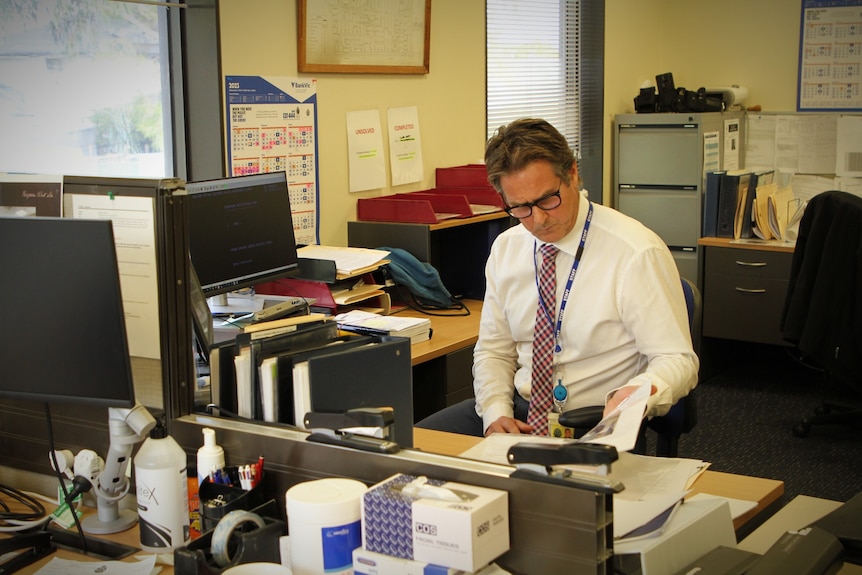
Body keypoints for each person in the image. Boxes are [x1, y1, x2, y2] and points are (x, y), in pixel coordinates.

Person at [417, 118, 698, 437]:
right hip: (519, 415)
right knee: (407, 453)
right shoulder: (507, 249)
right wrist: (496, 413)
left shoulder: (635, 252)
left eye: (548, 199)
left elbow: (677, 360)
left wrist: (638, 394)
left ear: (573, 174)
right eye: (520, 208)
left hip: (594, 421)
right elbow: (494, 350)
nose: (538, 220)